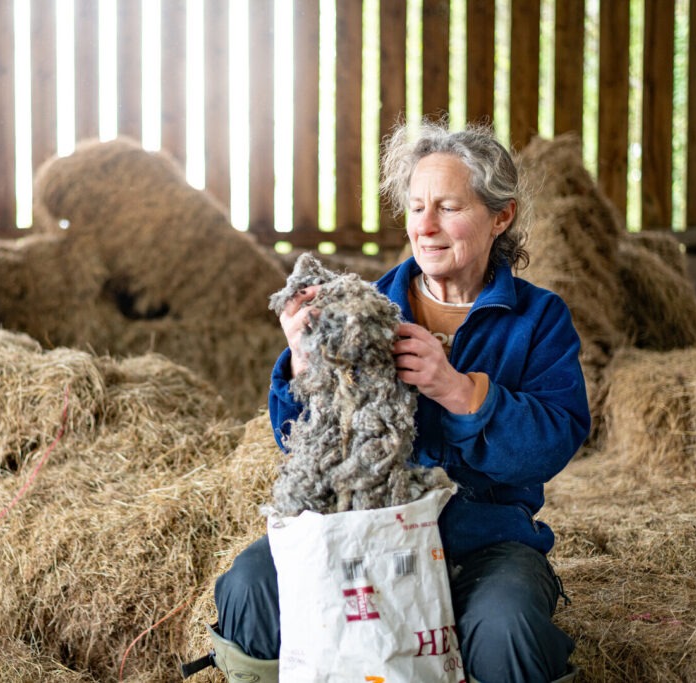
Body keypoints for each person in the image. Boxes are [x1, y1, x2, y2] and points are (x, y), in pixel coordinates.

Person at [209, 120, 590, 683]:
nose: (426, 227)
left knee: (508, 625)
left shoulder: (538, 318)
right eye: (416, 208)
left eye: (449, 207)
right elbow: (300, 445)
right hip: (364, 529)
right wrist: (305, 366)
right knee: (250, 585)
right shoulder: (367, 308)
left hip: (485, 540)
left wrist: (460, 391)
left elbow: (552, 443)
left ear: (500, 217)